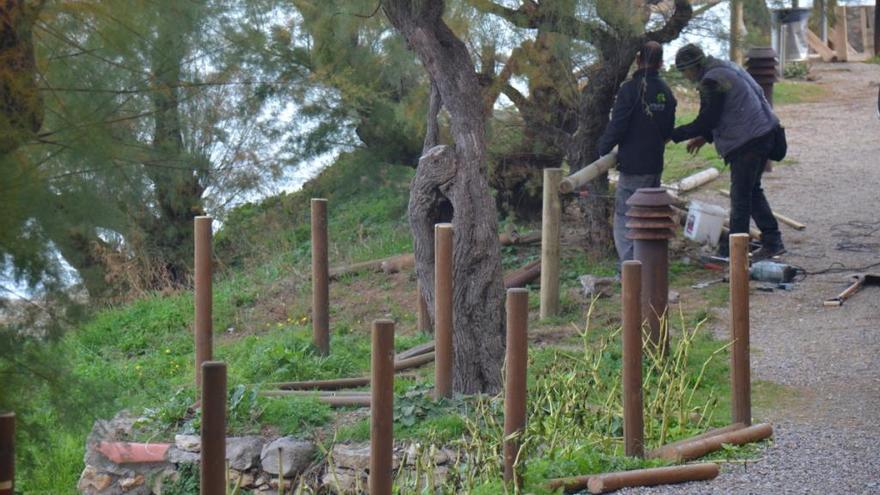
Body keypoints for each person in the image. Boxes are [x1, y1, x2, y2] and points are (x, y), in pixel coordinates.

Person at [670, 43, 785, 260]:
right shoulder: (726, 67)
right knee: (751, 191)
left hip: (749, 141)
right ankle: (772, 240)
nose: (685, 77)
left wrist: (673, 134)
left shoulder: (711, 81)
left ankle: (735, 251)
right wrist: (705, 137)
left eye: (684, 71)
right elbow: (730, 109)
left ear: (692, 67)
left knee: (740, 197)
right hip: (766, 132)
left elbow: (707, 119)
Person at [598, 41, 677, 265]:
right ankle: (647, 264)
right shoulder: (665, 91)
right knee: (649, 215)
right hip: (654, 164)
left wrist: (603, 149)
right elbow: (668, 130)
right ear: (661, 63)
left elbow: (618, 125)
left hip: (633, 166)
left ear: (638, 60)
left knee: (627, 217)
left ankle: (631, 268)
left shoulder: (629, 90)